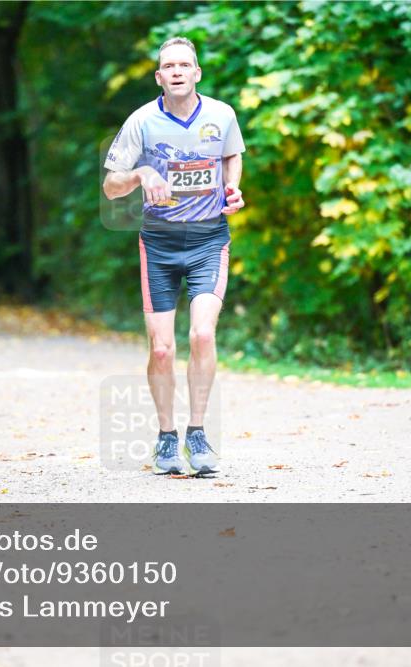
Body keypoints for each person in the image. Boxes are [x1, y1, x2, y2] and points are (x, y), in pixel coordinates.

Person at [103, 36, 246, 476]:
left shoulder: (221, 115)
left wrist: (232, 188)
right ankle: (166, 437)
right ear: (159, 77)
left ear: (197, 73)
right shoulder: (142, 121)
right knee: (162, 349)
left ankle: (197, 433)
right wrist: (141, 173)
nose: (178, 71)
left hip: (208, 241)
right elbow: (110, 187)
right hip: (159, 244)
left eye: (185, 65)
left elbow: (232, 155)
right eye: (170, 66)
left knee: (202, 334)